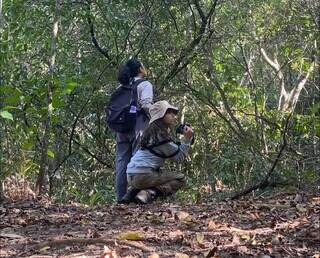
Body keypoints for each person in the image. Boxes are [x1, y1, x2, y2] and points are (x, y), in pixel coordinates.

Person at [121, 100, 194, 204]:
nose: (174, 116)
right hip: (143, 175)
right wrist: (187, 139)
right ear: (160, 116)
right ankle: (149, 193)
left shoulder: (151, 133)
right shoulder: (161, 136)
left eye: (173, 113)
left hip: (130, 174)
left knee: (158, 171)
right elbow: (179, 158)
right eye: (169, 112)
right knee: (180, 178)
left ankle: (132, 193)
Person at [115, 58, 153, 203]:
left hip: (121, 128)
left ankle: (121, 198)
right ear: (140, 69)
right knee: (139, 160)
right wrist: (156, 118)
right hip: (139, 126)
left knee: (121, 161)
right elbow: (145, 104)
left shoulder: (121, 87)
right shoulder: (144, 84)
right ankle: (136, 197)